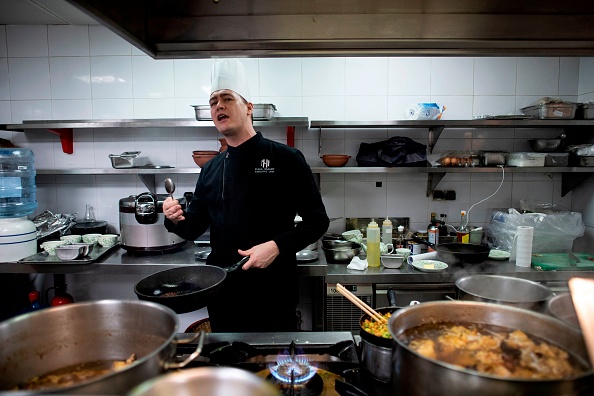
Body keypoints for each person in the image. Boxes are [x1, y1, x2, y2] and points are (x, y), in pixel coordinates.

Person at [163, 59, 329, 332]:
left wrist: (275, 246)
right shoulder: (212, 168)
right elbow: (193, 227)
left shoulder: (286, 158)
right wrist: (173, 218)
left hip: (273, 289)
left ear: (249, 108)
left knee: (271, 368)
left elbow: (317, 221)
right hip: (222, 291)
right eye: (213, 101)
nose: (218, 105)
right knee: (228, 367)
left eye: (227, 98)